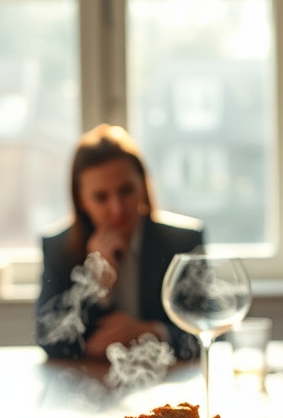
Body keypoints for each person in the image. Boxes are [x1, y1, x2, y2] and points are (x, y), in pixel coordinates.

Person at [36, 124, 203, 360]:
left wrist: (150, 332)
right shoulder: (59, 249)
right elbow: (49, 340)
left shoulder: (182, 242)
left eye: (126, 191)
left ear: (142, 188)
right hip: (89, 387)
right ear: (81, 200)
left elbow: (211, 332)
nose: (117, 209)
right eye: (101, 197)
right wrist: (98, 286)